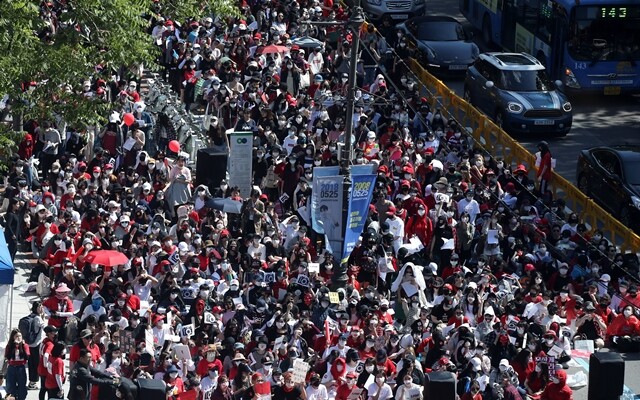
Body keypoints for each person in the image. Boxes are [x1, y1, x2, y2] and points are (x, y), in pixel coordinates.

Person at [24, 301, 46, 390]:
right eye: (41, 307)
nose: (42, 309)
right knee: (37, 364)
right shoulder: (37, 318)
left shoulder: (31, 316)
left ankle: (31, 382)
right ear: (37, 308)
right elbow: (45, 327)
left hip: (30, 344)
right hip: (36, 345)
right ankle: (33, 383)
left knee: (31, 364)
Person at [4, 330, 30, 400]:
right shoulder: (9, 346)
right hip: (11, 367)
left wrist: (21, 346)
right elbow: (8, 357)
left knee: (22, 386)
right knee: (10, 386)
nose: (18, 338)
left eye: (20, 336)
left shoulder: (25, 345)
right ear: (13, 337)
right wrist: (14, 347)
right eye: (16, 336)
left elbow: (27, 357)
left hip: (20, 367)